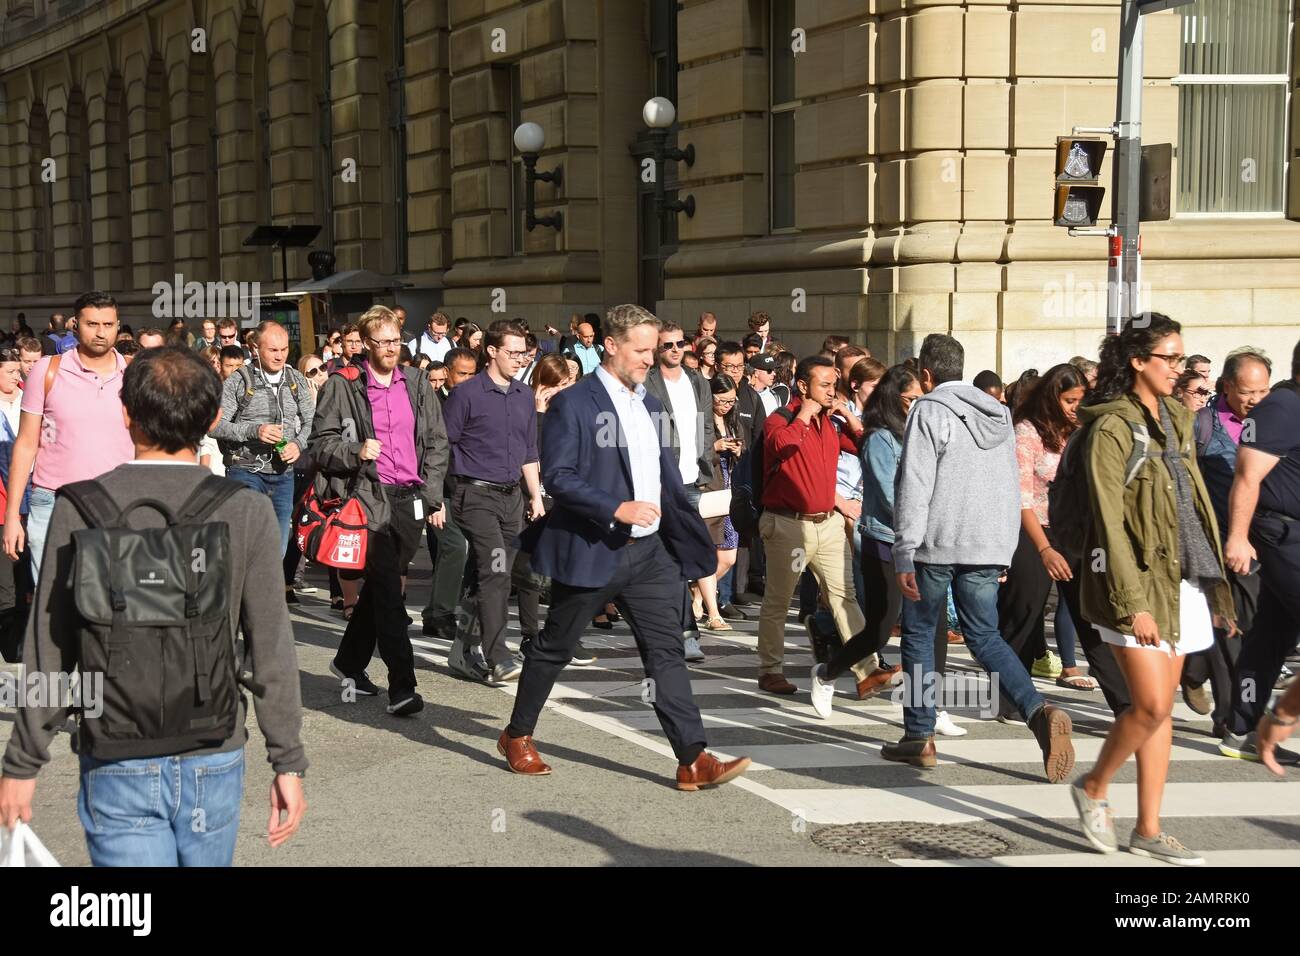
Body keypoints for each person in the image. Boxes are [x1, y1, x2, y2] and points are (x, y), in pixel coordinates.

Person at [0, 345, 307, 865]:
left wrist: (23, 763)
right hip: (214, 747)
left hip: (115, 748)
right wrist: (287, 761)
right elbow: (271, 647)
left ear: (125, 413)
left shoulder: (79, 506)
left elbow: (50, 646)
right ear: (212, 419)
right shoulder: (245, 509)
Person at [502, 304, 751, 791]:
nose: (649, 359)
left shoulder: (650, 404)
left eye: (653, 349)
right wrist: (615, 507)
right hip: (596, 546)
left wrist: (686, 527)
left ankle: (692, 757)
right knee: (555, 646)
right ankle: (517, 734)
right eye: (640, 350)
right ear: (611, 346)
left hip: (651, 553)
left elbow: (662, 476)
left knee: (667, 653)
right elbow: (559, 477)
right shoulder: (574, 404)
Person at [1071, 315, 1234, 866]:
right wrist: (1132, 600)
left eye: (1182, 358)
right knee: (1151, 705)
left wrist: (1215, 588)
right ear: (1138, 362)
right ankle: (1094, 786)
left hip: (1180, 580)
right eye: (1169, 357)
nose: (1179, 368)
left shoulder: (1177, 419)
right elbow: (1109, 520)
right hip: (1132, 584)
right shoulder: (1111, 429)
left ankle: (1148, 828)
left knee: (1162, 714)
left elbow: (1193, 509)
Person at [883, 333, 1075, 780]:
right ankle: (1036, 710)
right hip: (988, 542)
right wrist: (1005, 548)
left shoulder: (929, 410)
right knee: (985, 636)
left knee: (917, 634)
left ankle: (919, 735)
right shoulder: (999, 415)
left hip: (936, 542)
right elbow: (1012, 485)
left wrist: (904, 550)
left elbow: (914, 484)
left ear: (925, 374)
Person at [313, 305, 448, 716]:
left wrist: (433, 492)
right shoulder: (344, 384)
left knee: (379, 590)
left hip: (410, 499)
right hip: (368, 498)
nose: (391, 348)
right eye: (382, 342)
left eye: (396, 340)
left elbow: (438, 442)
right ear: (366, 344)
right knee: (391, 594)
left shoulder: (417, 382)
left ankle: (349, 661)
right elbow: (321, 443)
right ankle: (403, 687)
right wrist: (355, 450)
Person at [811, 365, 954, 719]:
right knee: (879, 628)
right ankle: (827, 672)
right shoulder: (878, 438)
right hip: (885, 540)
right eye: (911, 399)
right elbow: (892, 494)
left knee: (933, 625)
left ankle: (931, 708)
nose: (917, 404)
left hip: (923, 542)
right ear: (894, 398)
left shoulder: (920, 433)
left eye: (921, 398)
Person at [999, 364, 1129, 715]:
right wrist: (1044, 549)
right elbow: (1021, 497)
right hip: (1033, 529)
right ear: (1051, 397)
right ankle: (1013, 700)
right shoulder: (1026, 432)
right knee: (1025, 611)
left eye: (1079, 400)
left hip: (1076, 533)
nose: (1074, 407)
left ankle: (1125, 703)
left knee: (1093, 618)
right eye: (1069, 400)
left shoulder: (1084, 431)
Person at [754, 356, 875, 695]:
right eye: (824, 385)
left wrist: (849, 416)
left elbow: (868, 449)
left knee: (844, 598)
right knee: (778, 601)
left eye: (833, 385)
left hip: (828, 524)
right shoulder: (780, 419)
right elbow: (780, 446)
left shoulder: (831, 423)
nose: (831, 392)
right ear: (804, 386)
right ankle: (770, 669)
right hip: (788, 525)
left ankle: (868, 670)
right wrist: (805, 414)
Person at [3, 292, 134, 582]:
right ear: (75, 325)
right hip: (53, 501)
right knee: (52, 612)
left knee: (113, 604)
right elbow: (25, 445)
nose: (101, 332)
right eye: (92, 324)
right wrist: (12, 517)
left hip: (117, 502)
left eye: (108, 324)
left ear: (118, 326)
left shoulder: (134, 374)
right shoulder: (46, 371)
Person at [441, 319, 544, 684]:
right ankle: (498, 656)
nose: (520, 359)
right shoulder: (466, 395)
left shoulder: (523, 395)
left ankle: (461, 650)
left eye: (523, 353)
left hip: (512, 498)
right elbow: (444, 445)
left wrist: (535, 495)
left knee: (486, 575)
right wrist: (439, 497)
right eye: (513, 353)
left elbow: (529, 450)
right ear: (492, 351)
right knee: (497, 571)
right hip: (475, 495)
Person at [1220, 340, 1300, 763]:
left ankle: (1241, 728)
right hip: (1284, 534)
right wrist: (1237, 535)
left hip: (1289, 533)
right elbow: (1247, 475)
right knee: (1271, 635)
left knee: (1271, 636)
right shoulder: (1283, 407)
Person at [1187, 350, 1271, 741]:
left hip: (1263, 545)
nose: (1255, 399)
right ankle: (1229, 715)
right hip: (1216, 541)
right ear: (1225, 387)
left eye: (1262, 390)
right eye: (1247, 391)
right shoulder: (1202, 425)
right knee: (1229, 629)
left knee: (1252, 628)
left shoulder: (1275, 424)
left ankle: (1193, 667)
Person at [210, 321, 315, 565]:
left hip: (283, 473)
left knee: (275, 547)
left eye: (285, 349)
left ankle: (262, 597)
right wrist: (254, 431)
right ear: (254, 348)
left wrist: (298, 444)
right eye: (273, 350)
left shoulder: (295, 379)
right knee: (247, 540)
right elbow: (214, 426)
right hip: (245, 470)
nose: (280, 356)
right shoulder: (238, 381)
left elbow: (313, 423)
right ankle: (241, 596)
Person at [645, 321, 716, 662]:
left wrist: (708, 465)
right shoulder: (647, 382)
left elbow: (705, 424)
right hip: (660, 483)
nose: (674, 349)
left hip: (693, 481)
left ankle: (681, 627)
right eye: (667, 345)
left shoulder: (698, 382)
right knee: (669, 560)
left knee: (685, 557)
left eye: (679, 344)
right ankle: (685, 631)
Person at [698, 375, 743, 632]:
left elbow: (745, 446)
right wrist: (715, 446)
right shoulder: (701, 419)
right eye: (721, 400)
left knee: (728, 557)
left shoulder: (733, 419)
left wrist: (738, 449)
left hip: (730, 491)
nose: (726, 405)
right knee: (708, 551)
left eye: (730, 401)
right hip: (709, 490)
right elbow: (691, 452)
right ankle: (713, 612)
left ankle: (695, 594)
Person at [0, 349, 31, 663]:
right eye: (10, 371)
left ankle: (20, 634)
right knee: (6, 574)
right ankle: (10, 643)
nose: (17, 377)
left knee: (25, 570)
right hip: (2, 499)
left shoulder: (27, 402)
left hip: (30, 494)